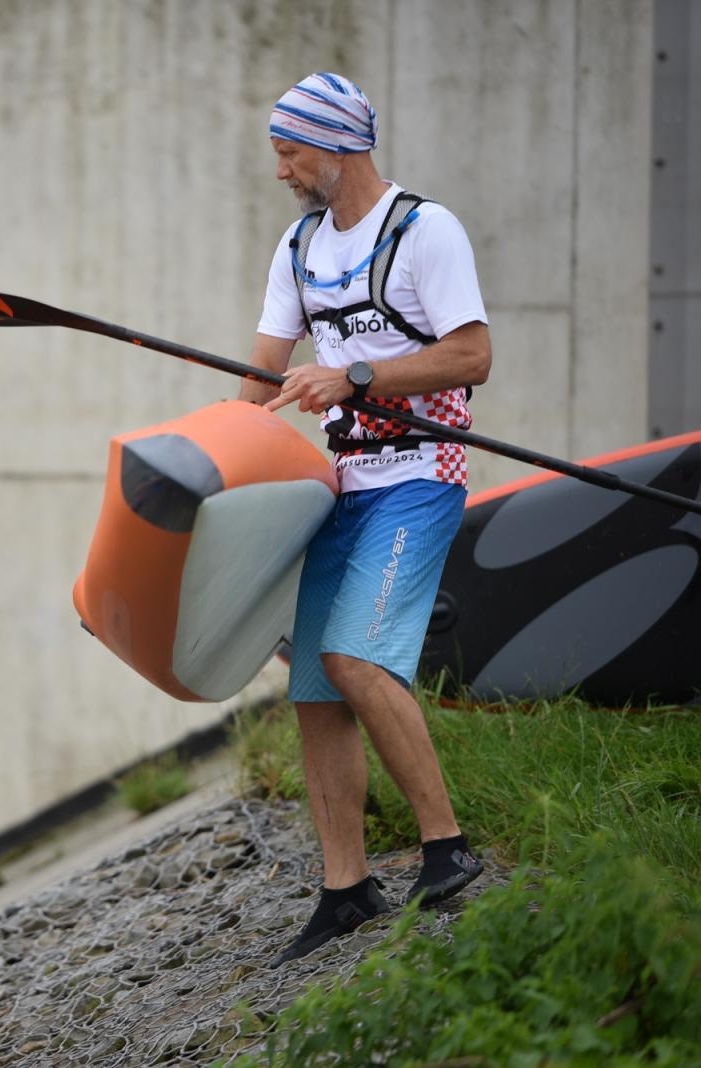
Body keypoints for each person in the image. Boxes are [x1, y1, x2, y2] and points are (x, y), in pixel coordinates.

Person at [238, 73, 491, 964]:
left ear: (340, 144)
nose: (281, 170)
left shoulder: (427, 231)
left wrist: (351, 377)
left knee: (355, 657)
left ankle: (447, 850)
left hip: (418, 476)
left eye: (290, 150)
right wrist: (233, 449)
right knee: (313, 687)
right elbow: (265, 376)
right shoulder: (299, 246)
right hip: (332, 493)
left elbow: (472, 355)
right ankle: (346, 889)